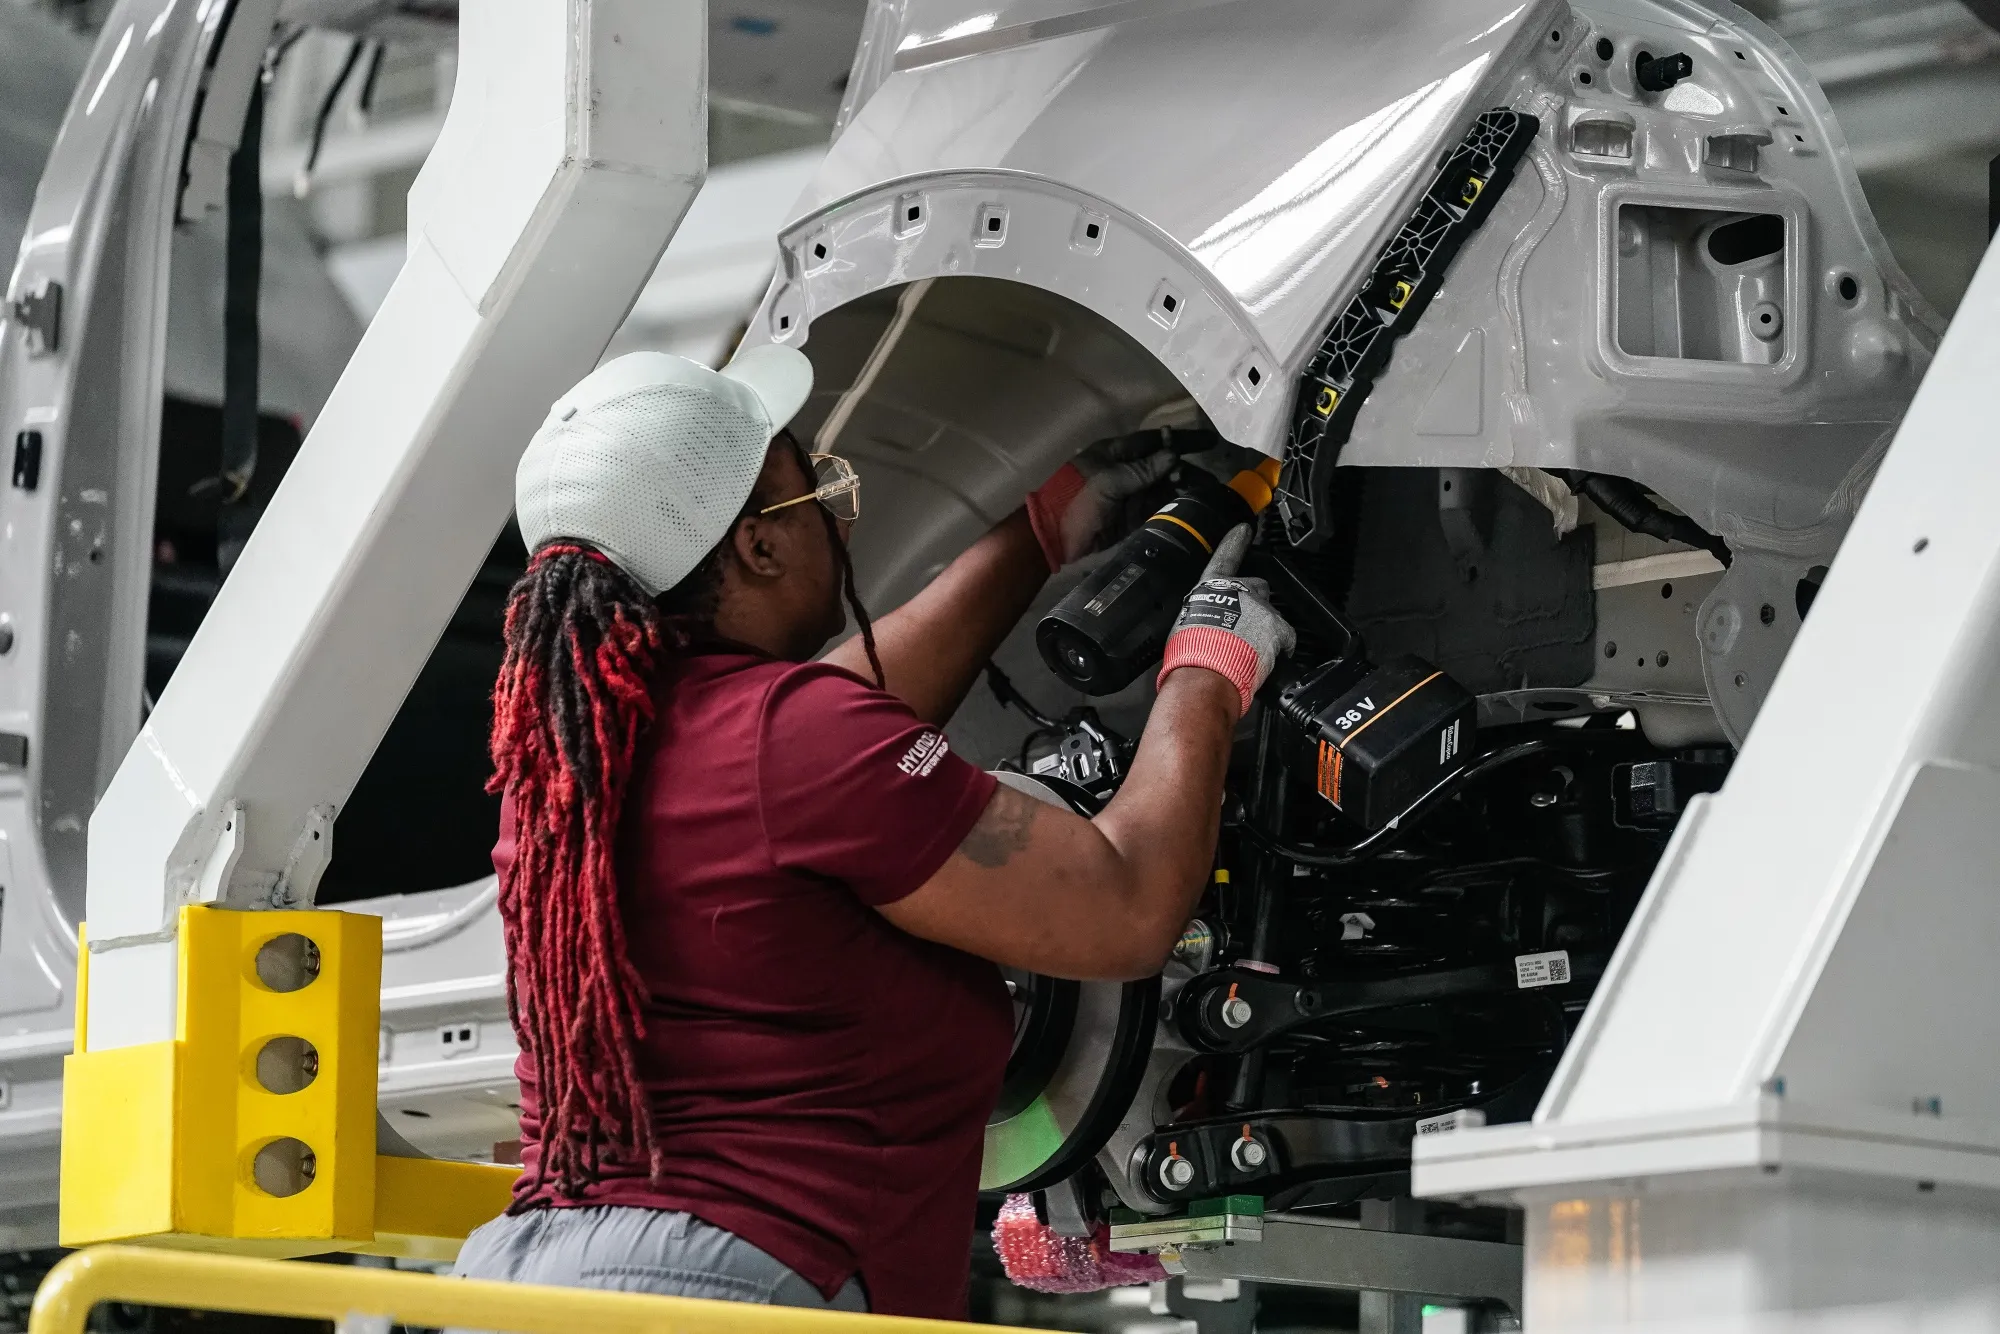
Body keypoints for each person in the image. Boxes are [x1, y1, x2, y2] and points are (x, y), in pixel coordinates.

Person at [451, 345, 1295, 1319]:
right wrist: (1208, 665)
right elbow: (1126, 900)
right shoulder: (794, 746)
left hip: (526, 1281)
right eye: (815, 495)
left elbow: (819, 731)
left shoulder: (573, 762)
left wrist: (1037, 534)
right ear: (757, 548)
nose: (836, 517)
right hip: (721, 1287)